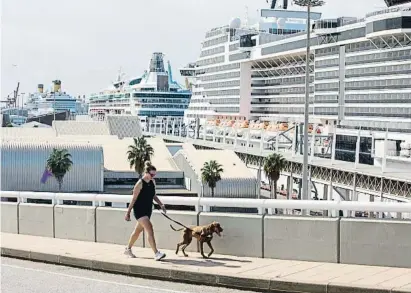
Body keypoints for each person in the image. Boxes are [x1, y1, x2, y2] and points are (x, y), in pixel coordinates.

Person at [124, 161, 167, 261]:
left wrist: (161, 204)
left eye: (154, 175)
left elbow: (154, 195)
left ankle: (128, 249)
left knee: (137, 231)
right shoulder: (139, 183)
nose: (153, 176)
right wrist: (128, 213)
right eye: (152, 174)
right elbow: (133, 199)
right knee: (150, 229)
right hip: (139, 210)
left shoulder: (152, 182)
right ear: (146, 173)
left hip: (148, 210)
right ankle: (156, 253)